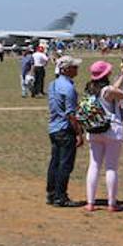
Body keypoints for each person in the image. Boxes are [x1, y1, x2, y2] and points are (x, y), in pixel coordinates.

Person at [83, 61, 123, 212]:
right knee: (111, 167)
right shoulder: (108, 90)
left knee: (94, 166)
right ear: (106, 74)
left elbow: (111, 90)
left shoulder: (90, 88)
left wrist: (122, 77)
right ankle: (111, 203)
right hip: (112, 131)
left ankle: (90, 202)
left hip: (94, 130)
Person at [45, 56, 83, 208]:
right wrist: (79, 133)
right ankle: (61, 196)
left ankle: (51, 193)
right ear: (66, 69)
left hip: (54, 127)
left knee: (55, 162)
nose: (77, 69)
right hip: (65, 129)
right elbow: (71, 114)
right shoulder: (69, 88)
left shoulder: (53, 84)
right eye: (74, 67)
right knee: (65, 165)